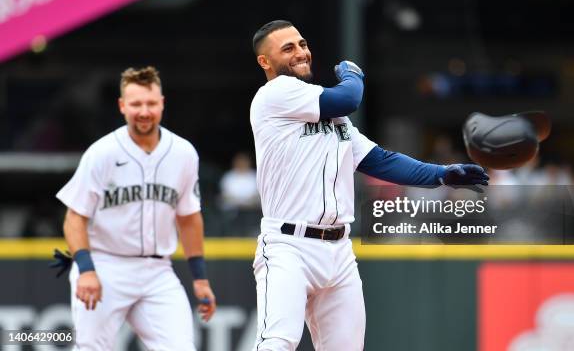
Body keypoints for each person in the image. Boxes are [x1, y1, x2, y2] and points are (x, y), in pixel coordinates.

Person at [249, 20, 488, 351]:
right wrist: (353, 74)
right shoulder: (275, 95)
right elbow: (348, 97)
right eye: (287, 48)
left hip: (338, 250)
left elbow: (380, 160)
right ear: (265, 61)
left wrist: (441, 175)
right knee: (278, 342)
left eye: (302, 44)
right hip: (289, 246)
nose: (301, 52)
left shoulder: (332, 115)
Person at [56, 66, 216, 350]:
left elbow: (189, 218)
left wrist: (200, 278)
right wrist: (86, 270)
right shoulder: (102, 153)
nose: (144, 111)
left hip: (157, 270)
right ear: (122, 106)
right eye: (136, 104)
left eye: (151, 103)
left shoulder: (183, 153)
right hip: (105, 264)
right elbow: (74, 218)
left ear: (162, 103)